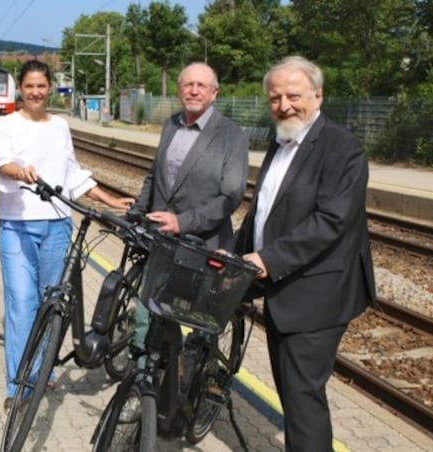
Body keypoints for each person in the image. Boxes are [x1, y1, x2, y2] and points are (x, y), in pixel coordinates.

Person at [234, 55, 377, 451]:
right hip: (284, 286)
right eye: (275, 97)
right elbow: (263, 211)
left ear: (318, 95)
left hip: (317, 293)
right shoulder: (281, 139)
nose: (284, 105)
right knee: (294, 393)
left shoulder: (342, 149)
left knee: (302, 398)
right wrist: (233, 255)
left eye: (293, 95)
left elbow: (331, 220)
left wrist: (268, 259)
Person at [0, 60, 134, 413]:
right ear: (20, 90)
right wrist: (19, 172)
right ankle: (19, 386)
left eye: (41, 86)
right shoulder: (4, 123)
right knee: (22, 304)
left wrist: (111, 200)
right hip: (17, 225)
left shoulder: (60, 126)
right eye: (29, 86)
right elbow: (2, 163)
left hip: (56, 226)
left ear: (49, 87)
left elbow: (71, 172)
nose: (35, 92)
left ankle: (47, 367)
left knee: (51, 303)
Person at [131, 62, 249, 350]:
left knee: (199, 326)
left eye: (201, 86)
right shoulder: (170, 125)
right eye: (188, 84)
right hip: (162, 240)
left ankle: (197, 382)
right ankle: (145, 378)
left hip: (204, 242)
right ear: (179, 89)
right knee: (148, 314)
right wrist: (137, 211)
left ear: (214, 93)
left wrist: (183, 222)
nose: (194, 91)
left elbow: (230, 196)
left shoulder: (231, 135)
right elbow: (153, 175)